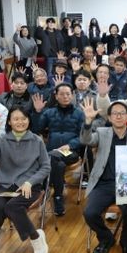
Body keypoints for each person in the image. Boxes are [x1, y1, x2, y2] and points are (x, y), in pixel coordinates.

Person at [0, 107, 50, 253]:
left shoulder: (37, 140)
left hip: (30, 186)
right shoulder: (1, 139)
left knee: (12, 207)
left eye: (24, 118)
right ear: (9, 122)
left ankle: (36, 238)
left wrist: (30, 182)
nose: (20, 122)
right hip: (6, 186)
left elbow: (46, 167)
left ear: (29, 120)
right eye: (16, 119)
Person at [80, 98, 127, 253]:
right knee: (89, 213)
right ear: (109, 117)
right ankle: (106, 238)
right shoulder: (102, 133)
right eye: (115, 113)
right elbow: (85, 140)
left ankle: (125, 239)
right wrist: (88, 122)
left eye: (122, 113)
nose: (118, 116)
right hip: (104, 184)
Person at [32, 83, 85, 216]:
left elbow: (84, 136)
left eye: (68, 94)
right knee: (58, 165)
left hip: (71, 151)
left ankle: (43, 190)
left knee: (51, 157)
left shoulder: (79, 113)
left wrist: (70, 145)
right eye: (61, 94)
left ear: (72, 96)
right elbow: (37, 129)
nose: (65, 96)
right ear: (56, 96)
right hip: (53, 153)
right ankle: (58, 197)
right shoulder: (49, 112)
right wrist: (38, 112)